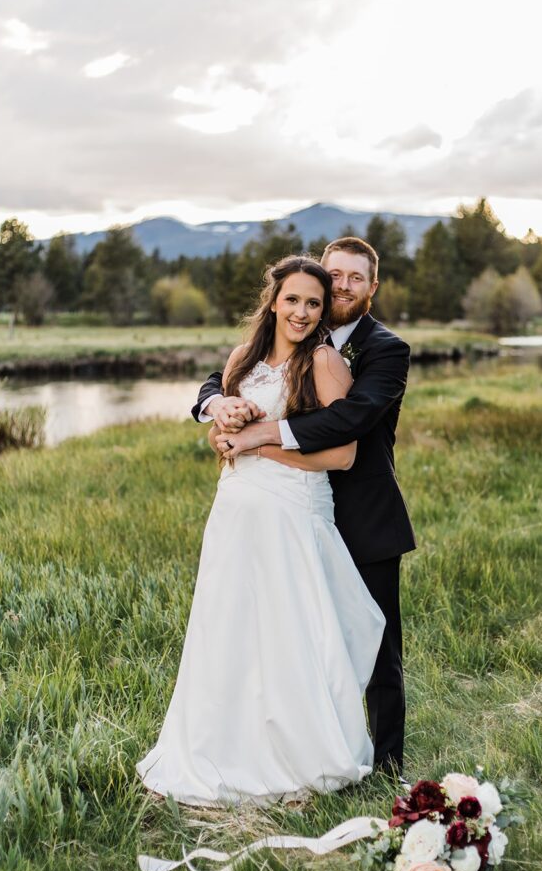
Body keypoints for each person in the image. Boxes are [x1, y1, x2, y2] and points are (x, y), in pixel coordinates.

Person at [136, 255, 386, 807]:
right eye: (293, 299)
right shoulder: (239, 360)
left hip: (291, 517)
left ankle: (298, 755)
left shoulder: (322, 362)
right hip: (235, 514)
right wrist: (223, 425)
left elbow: (343, 454)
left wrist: (257, 442)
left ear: (323, 313)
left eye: (313, 304)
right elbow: (221, 442)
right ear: (273, 301)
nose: (301, 312)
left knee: (287, 634)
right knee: (228, 630)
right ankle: (220, 747)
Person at [196, 237, 416, 778]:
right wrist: (216, 410)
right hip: (267, 515)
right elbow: (220, 383)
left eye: (354, 279)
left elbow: (347, 425)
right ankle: (264, 744)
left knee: (373, 641)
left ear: (371, 287)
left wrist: (256, 437)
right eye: (332, 276)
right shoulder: (266, 347)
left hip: (357, 512)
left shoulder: (383, 349)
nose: (341, 286)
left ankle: (386, 766)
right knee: (274, 634)